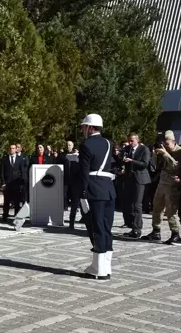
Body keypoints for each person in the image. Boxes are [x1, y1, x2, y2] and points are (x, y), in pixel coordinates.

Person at [79, 113, 115, 280]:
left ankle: (98, 268)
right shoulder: (108, 143)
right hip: (108, 189)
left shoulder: (86, 144)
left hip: (94, 189)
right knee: (106, 227)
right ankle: (106, 266)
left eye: (84, 126)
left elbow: (84, 172)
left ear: (90, 127)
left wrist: (82, 193)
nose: (82, 129)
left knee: (96, 227)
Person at [141, 131, 181, 244]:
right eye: (164, 144)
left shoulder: (179, 152)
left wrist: (165, 154)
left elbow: (175, 166)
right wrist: (156, 154)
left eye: (168, 144)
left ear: (174, 142)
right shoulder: (163, 150)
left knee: (171, 210)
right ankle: (156, 231)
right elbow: (154, 166)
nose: (166, 146)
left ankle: (175, 234)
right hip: (162, 182)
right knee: (157, 207)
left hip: (172, 185)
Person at [122, 133, 151, 238]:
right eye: (129, 141)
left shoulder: (144, 149)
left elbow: (145, 164)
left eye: (132, 141)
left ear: (137, 140)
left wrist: (132, 161)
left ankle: (137, 229)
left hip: (140, 179)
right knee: (129, 203)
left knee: (137, 204)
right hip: (130, 179)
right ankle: (132, 226)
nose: (130, 143)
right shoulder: (128, 149)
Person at [0, 144, 26, 222]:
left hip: (16, 183)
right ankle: (5, 216)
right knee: (6, 201)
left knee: (17, 201)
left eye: (13, 148)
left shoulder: (20, 159)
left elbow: (22, 171)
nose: (12, 150)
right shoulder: (4, 159)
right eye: (10, 148)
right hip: (7, 184)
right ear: (9, 149)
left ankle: (17, 217)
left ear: (16, 150)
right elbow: (1, 172)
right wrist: (3, 183)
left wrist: (22, 183)